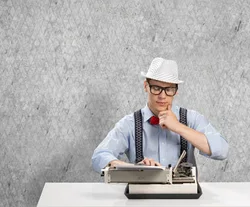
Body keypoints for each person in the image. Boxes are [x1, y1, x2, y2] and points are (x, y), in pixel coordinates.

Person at [91, 57, 228, 173]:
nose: (162, 96)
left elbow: (222, 150)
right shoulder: (130, 124)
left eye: (169, 89)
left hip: (184, 201)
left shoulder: (191, 119)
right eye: (156, 88)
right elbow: (99, 156)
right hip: (142, 201)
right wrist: (135, 169)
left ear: (176, 91)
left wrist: (178, 127)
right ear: (146, 86)